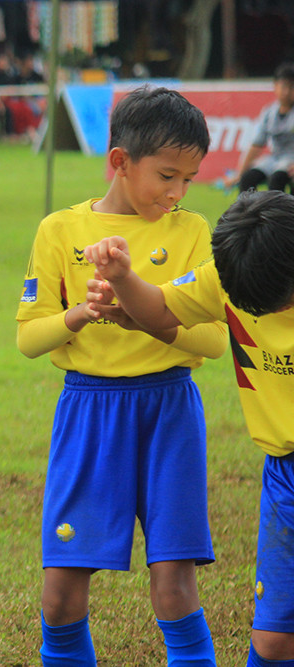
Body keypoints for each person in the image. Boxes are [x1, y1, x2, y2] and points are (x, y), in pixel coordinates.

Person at [15, 86, 228, 666]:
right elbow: (29, 338)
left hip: (169, 411)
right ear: (119, 161)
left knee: (174, 588)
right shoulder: (60, 230)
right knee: (59, 599)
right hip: (89, 412)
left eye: (189, 178)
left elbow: (212, 339)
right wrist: (81, 313)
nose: (178, 193)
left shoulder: (190, 231)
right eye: (166, 175)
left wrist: (146, 322)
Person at [83, 189, 294, 667]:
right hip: (285, 476)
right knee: (273, 641)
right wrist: (122, 279)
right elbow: (159, 308)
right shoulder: (235, 273)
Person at [225, 63, 294, 194]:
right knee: (247, 179)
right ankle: (248, 213)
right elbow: (256, 145)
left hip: (291, 161)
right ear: (275, 86)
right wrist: (239, 173)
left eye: (292, 87)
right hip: (275, 159)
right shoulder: (269, 112)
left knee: (277, 180)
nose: (287, 92)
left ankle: (278, 214)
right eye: (284, 86)